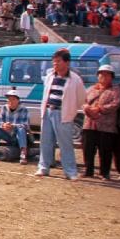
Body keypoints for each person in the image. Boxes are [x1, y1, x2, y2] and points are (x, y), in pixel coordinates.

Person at [37, 48, 86, 180]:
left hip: (63, 113)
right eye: (54, 62)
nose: (55, 64)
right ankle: (43, 167)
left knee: (65, 144)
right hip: (48, 111)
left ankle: (70, 171)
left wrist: (70, 110)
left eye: (58, 61)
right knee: (46, 141)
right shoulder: (50, 76)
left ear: (67, 62)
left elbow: (81, 98)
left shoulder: (75, 79)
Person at [81, 64, 120, 180]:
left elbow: (115, 104)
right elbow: (83, 101)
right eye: (101, 74)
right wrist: (87, 109)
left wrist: (99, 109)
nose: (103, 76)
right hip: (89, 124)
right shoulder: (91, 89)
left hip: (106, 126)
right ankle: (88, 171)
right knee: (88, 149)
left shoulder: (115, 90)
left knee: (105, 150)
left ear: (111, 76)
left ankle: (104, 173)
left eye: (106, 74)